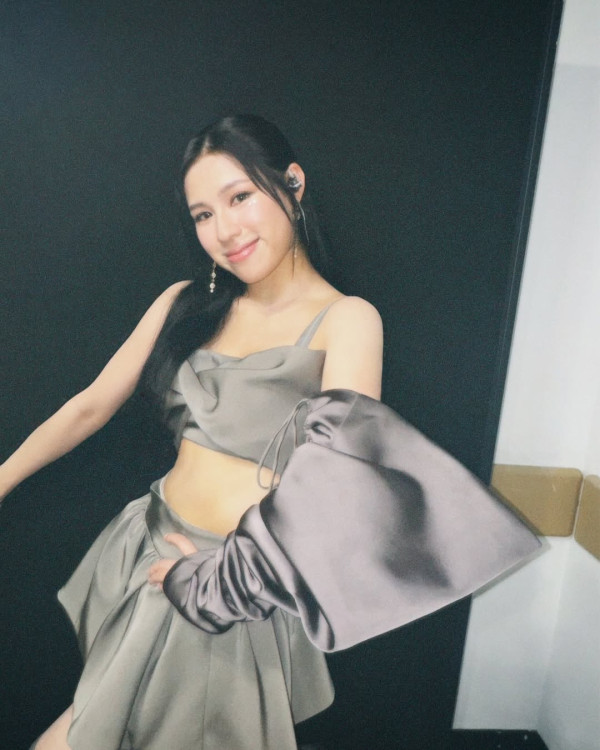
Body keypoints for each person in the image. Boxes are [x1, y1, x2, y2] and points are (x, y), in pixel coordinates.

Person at [1, 115, 539, 750]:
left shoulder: (347, 319)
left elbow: (342, 485)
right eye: (203, 215)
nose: (225, 230)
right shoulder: (184, 303)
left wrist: (217, 581)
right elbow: (89, 407)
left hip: (230, 584)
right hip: (150, 547)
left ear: (293, 184)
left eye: (240, 197)